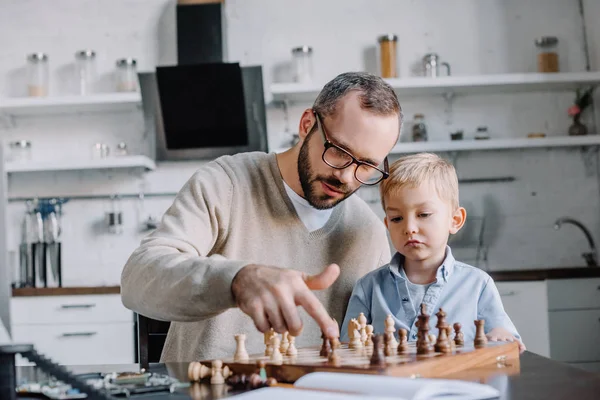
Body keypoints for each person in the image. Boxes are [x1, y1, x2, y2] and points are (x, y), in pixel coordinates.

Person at [121, 72, 403, 361]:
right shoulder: (226, 184)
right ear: (307, 125)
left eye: (367, 165)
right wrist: (237, 280)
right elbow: (138, 277)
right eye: (339, 151)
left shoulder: (368, 231)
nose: (345, 176)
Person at [341, 153, 525, 352]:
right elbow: (347, 347)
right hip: (390, 383)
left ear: (455, 220)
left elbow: (509, 340)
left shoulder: (478, 285)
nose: (409, 227)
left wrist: (502, 335)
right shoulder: (368, 287)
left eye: (424, 215)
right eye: (396, 218)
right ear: (387, 224)